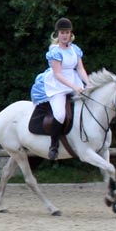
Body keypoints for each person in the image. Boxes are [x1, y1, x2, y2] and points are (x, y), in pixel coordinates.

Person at [30, 17, 90, 160]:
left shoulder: (75, 49)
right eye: (62, 32)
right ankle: (54, 145)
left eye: (67, 32)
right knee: (60, 115)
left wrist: (88, 83)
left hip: (74, 80)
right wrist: (74, 87)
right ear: (58, 34)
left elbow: (80, 68)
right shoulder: (55, 51)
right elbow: (57, 74)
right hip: (58, 85)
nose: (64, 35)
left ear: (71, 34)